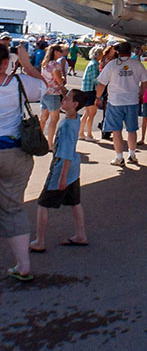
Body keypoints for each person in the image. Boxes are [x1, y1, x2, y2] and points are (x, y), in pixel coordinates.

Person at [0, 42, 46, 281]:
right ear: (6, 63)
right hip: (14, 152)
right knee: (13, 208)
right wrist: (27, 64)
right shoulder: (19, 84)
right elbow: (46, 87)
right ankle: (23, 265)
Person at [30, 89, 88, 250]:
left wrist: (62, 177)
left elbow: (67, 154)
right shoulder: (75, 119)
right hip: (74, 170)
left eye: (67, 98)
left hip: (62, 167)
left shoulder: (68, 125)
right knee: (75, 202)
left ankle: (39, 241)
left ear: (75, 104)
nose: (63, 99)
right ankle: (81, 235)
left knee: (43, 203)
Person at [95, 41, 147, 166]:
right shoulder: (137, 64)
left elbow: (101, 83)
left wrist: (98, 97)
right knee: (132, 130)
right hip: (132, 101)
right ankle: (132, 154)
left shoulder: (112, 64)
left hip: (115, 101)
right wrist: (141, 94)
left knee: (116, 131)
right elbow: (145, 81)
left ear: (118, 52)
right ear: (130, 51)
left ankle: (119, 157)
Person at [39, 44, 67, 148]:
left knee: (43, 118)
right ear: (55, 52)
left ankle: (40, 139)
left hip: (45, 92)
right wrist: (63, 79)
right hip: (54, 94)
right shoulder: (56, 65)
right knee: (54, 119)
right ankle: (50, 144)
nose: (62, 53)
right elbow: (59, 81)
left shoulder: (45, 63)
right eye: (60, 51)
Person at [80, 44, 104, 140]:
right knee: (92, 114)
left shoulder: (91, 63)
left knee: (86, 113)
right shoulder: (95, 64)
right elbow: (95, 79)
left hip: (86, 90)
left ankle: (81, 132)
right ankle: (89, 134)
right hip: (91, 90)